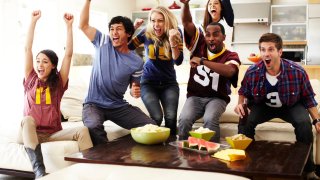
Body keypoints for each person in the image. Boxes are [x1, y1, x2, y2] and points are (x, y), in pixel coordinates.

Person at [234, 33, 320, 179]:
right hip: (263, 106)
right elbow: (243, 91)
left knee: (304, 124)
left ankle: (309, 170)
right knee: (245, 121)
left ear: (280, 52)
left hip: (290, 106)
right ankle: (248, 167)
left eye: (270, 49)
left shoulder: (296, 71)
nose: (266, 53)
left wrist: (317, 120)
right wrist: (240, 104)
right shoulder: (252, 71)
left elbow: (308, 98)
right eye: (263, 49)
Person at [19, 10, 93, 178]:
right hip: (31, 133)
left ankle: (91, 169)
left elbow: (68, 55)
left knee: (82, 130)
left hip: (52, 133)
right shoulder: (30, 79)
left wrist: (69, 27)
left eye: (45, 61)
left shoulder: (58, 83)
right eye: (38, 61)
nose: (39, 64)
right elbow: (27, 48)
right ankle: (39, 170)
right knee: (28, 120)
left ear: (53, 66)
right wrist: (33, 22)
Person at [79, 0, 156, 146]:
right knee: (93, 126)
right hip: (93, 104)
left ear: (128, 34)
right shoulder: (103, 42)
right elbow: (83, 25)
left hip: (117, 105)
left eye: (118, 29)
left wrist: (135, 91)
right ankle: (106, 160)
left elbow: (134, 89)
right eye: (112, 29)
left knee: (150, 126)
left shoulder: (137, 62)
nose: (114, 32)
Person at [178, 0, 240, 143]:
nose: (211, 38)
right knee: (184, 119)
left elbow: (230, 71)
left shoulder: (231, 55)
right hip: (195, 97)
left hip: (217, 98)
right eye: (208, 35)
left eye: (216, 35)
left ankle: (213, 157)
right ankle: (182, 154)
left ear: (224, 37)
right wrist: (185, 5)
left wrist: (202, 61)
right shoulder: (198, 46)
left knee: (210, 118)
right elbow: (187, 23)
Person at [128, 6, 184, 135]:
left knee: (170, 118)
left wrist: (172, 41)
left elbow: (178, 61)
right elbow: (128, 47)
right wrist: (133, 28)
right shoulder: (146, 32)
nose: (156, 25)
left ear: (167, 21)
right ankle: (153, 151)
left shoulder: (176, 32)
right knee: (157, 118)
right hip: (147, 82)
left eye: (160, 21)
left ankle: (170, 152)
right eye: (153, 21)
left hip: (169, 83)